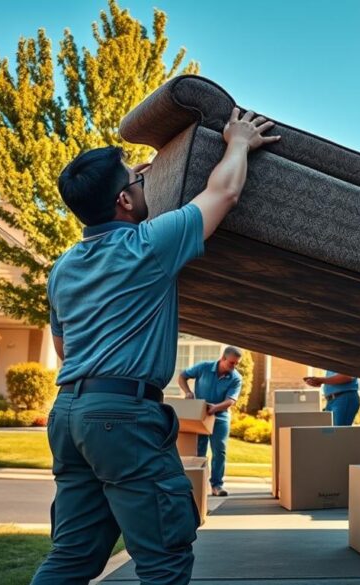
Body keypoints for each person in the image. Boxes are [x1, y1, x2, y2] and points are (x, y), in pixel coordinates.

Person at [32, 108, 280, 585]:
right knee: (165, 557)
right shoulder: (147, 246)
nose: (144, 180)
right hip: (123, 419)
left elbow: (64, 350)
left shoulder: (63, 267)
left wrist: (136, 182)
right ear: (124, 200)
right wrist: (239, 141)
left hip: (69, 415)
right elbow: (223, 193)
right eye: (137, 180)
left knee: (72, 556)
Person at [178, 347, 244, 497]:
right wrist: (188, 392)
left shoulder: (236, 378)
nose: (234, 366)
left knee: (219, 450)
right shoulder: (204, 367)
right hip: (200, 415)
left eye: (237, 364)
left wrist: (215, 408)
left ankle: (217, 485)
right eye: (232, 363)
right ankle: (196, 484)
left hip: (220, 416)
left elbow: (231, 400)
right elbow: (182, 376)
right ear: (223, 358)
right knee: (199, 451)